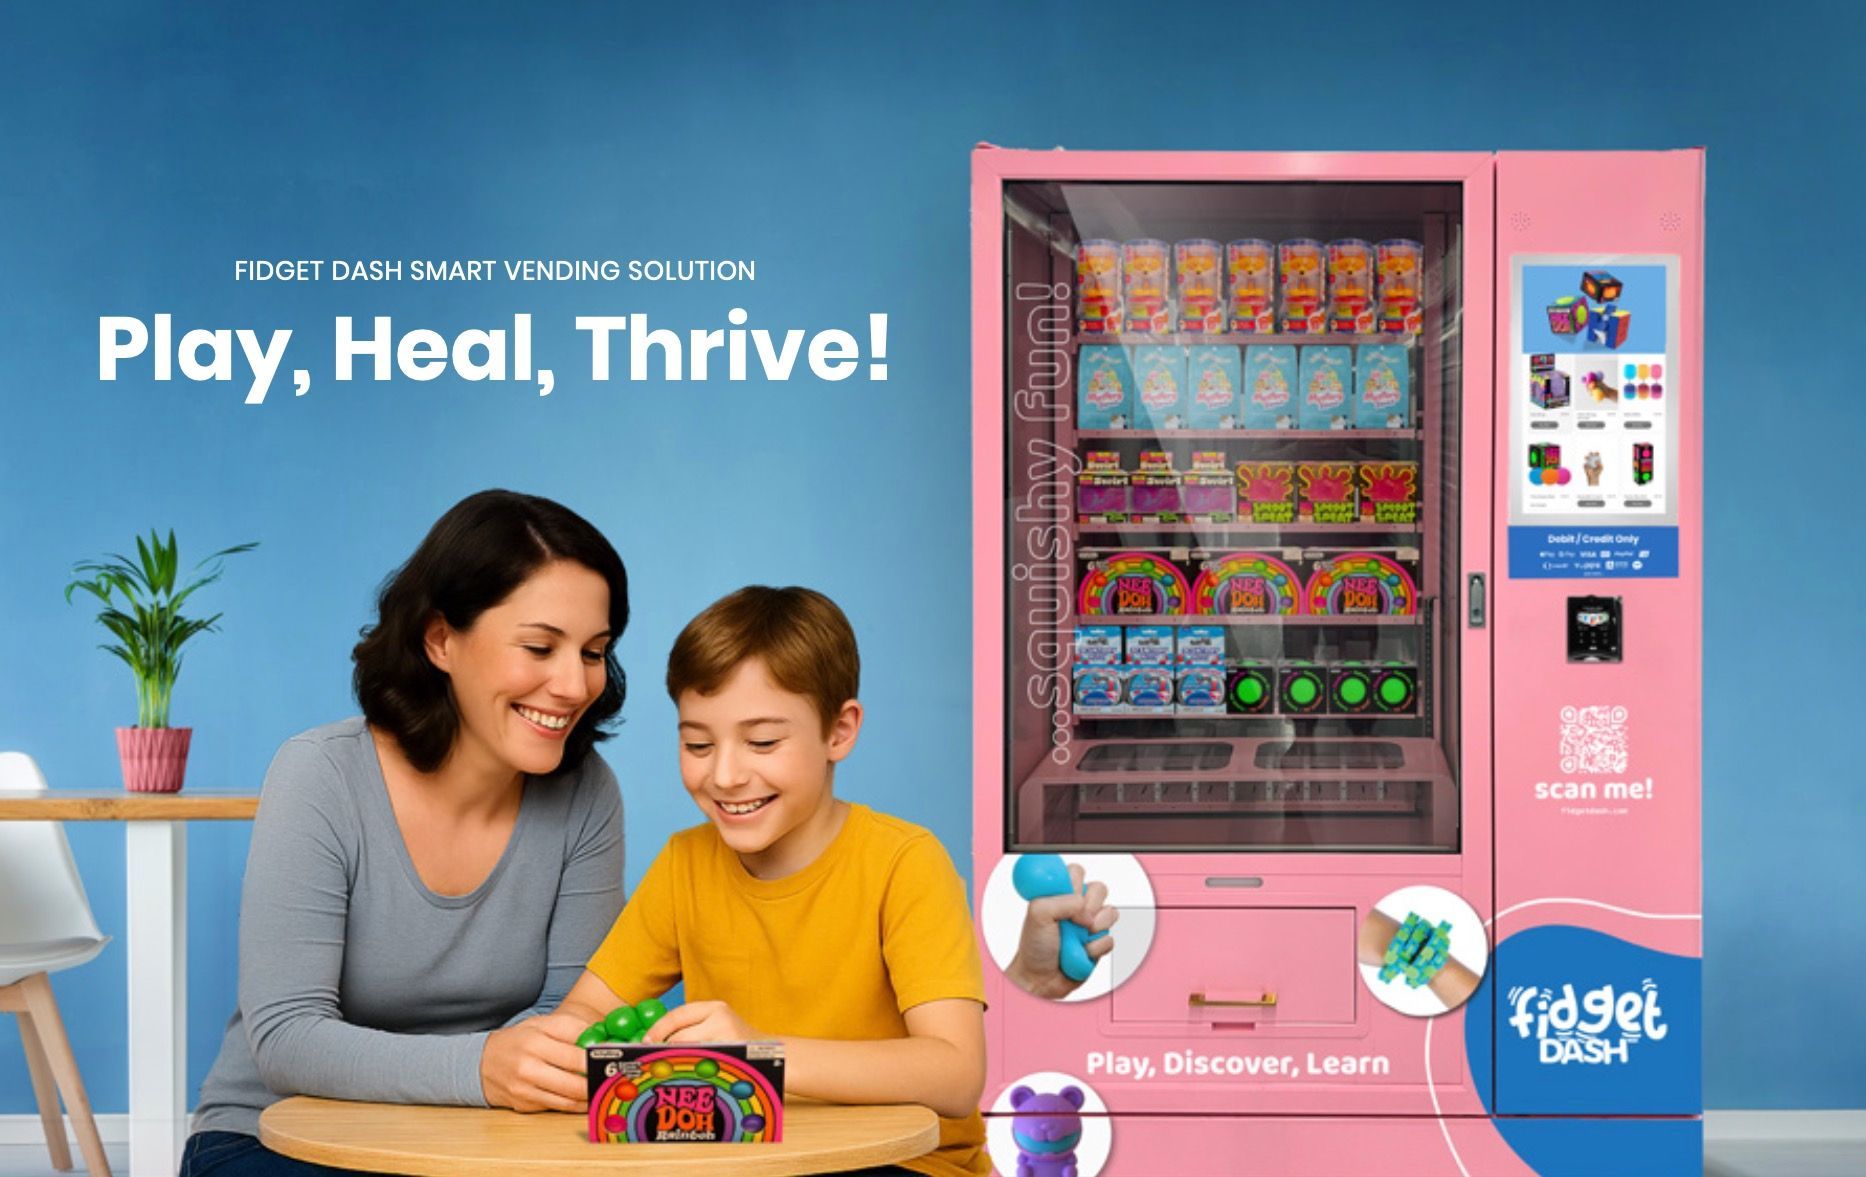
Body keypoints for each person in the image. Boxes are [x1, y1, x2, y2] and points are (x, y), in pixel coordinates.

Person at [183, 490, 631, 1176]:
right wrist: (480, 1066)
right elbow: (286, 1037)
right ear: (440, 639)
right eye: (540, 647)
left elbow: (571, 1014)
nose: (574, 685)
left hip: (486, 1141)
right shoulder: (322, 774)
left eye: (594, 652)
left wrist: (511, 1072)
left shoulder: (587, 793)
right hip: (275, 1134)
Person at [556, 586, 989, 1177]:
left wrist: (755, 1056)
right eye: (698, 744)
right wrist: (562, 1049)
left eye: (762, 742)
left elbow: (956, 1074)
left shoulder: (905, 862)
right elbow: (586, 1009)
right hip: (746, 1162)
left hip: (907, 1164)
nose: (726, 775)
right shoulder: (685, 863)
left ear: (839, 731)